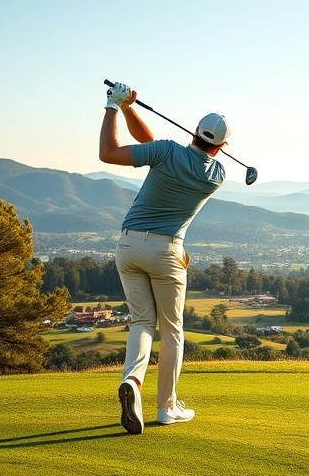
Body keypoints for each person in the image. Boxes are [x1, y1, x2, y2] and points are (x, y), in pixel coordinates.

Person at [99, 82, 230, 434]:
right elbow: (151, 143)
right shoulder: (216, 175)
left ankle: (133, 382)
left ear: (193, 131)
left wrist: (114, 106)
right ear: (222, 146)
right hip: (167, 252)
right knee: (172, 330)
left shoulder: (166, 151)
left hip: (128, 246)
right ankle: (166, 408)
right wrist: (128, 109)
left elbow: (108, 153)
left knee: (142, 322)